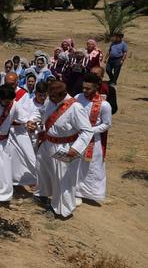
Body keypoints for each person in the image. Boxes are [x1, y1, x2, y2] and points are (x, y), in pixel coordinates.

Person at [26, 81, 93, 218]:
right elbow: (41, 113)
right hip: (47, 143)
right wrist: (32, 121)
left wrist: (75, 149)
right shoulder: (50, 101)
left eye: (53, 96)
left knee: (62, 178)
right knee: (42, 170)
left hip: (65, 148)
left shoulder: (75, 108)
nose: (50, 99)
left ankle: (62, 210)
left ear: (62, 94)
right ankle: (42, 195)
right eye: (49, 96)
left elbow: (87, 131)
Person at [75, 73, 112, 205]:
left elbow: (107, 124)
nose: (84, 90)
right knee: (75, 164)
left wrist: (90, 130)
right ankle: (75, 191)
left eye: (88, 88)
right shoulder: (78, 98)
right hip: (76, 137)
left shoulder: (105, 105)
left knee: (90, 166)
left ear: (96, 87)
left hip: (92, 140)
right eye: (83, 87)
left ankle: (88, 192)